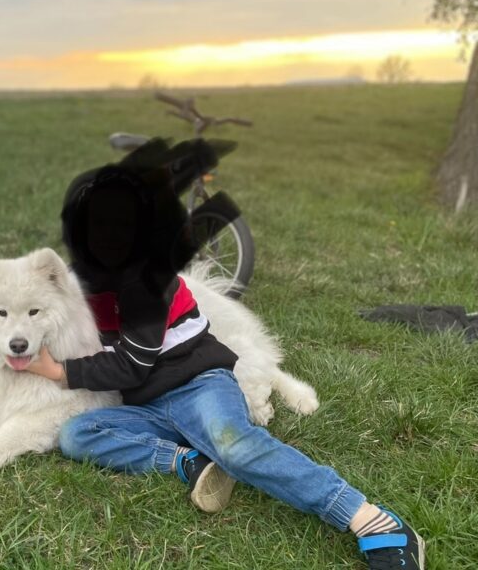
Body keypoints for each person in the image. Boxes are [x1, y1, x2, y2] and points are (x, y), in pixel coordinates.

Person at [24, 142, 426, 570]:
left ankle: (372, 521)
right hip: (149, 405)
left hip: (198, 385)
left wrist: (59, 371)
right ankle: (190, 462)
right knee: (78, 435)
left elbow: (131, 364)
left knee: (235, 444)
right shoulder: (80, 282)